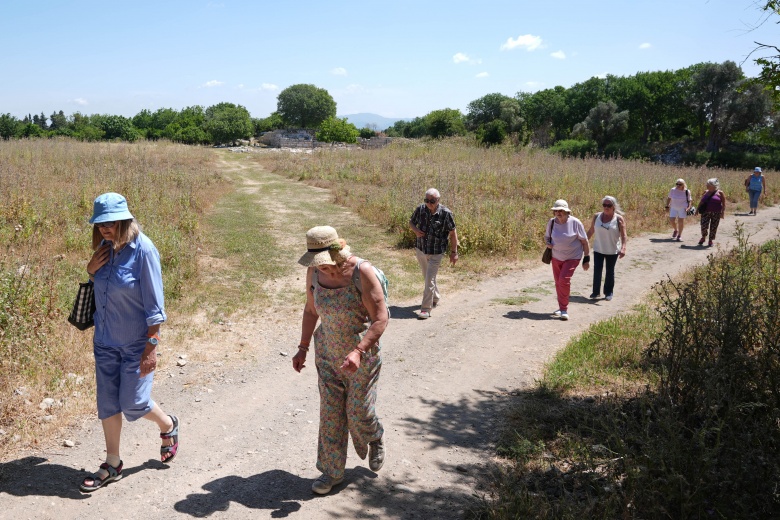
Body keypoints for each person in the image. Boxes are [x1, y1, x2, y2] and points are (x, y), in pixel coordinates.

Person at [79, 193, 178, 493]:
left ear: (125, 219)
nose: (105, 228)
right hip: (105, 341)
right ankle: (112, 463)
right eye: (100, 223)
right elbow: (101, 288)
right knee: (108, 403)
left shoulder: (144, 251)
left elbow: (156, 307)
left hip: (136, 344)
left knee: (133, 402)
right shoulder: (103, 248)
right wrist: (90, 270)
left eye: (111, 222)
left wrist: (152, 347)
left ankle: (168, 426)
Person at [292, 226, 389, 495]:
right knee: (331, 415)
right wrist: (302, 348)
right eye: (322, 268)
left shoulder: (362, 272)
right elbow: (311, 310)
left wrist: (358, 351)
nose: (328, 271)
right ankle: (331, 471)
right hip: (326, 353)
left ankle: (374, 435)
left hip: (362, 356)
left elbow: (381, 318)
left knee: (359, 411)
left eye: (331, 266)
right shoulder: (313, 272)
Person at [408, 188, 459, 319]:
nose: (429, 203)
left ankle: (425, 309)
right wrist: (416, 231)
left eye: (432, 201)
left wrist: (454, 252)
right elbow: (411, 222)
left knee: (429, 279)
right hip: (421, 250)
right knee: (427, 277)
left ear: (438, 200)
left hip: (436, 252)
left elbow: (453, 234)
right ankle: (435, 297)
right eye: (427, 200)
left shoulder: (446, 214)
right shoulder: (420, 209)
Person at [544, 200, 590, 320]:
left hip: (573, 256)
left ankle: (564, 309)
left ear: (567, 211)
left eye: (561, 210)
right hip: (556, 256)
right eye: (556, 211)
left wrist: (587, 258)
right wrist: (548, 243)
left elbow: (584, 242)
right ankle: (561, 307)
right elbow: (547, 237)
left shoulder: (575, 223)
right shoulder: (552, 222)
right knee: (558, 282)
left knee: (564, 280)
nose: (558, 213)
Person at [586, 196, 627, 301]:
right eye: (604, 205)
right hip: (598, 248)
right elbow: (591, 231)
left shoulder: (618, 219)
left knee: (610, 271)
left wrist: (623, 248)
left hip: (612, 250)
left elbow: (623, 235)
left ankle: (608, 292)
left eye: (609, 205)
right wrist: (583, 243)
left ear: (613, 206)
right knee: (597, 270)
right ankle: (595, 292)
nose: (606, 207)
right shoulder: (597, 217)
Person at [698, 178, 726, 247]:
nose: (706, 185)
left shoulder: (720, 193)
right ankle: (703, 237)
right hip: (705, 212)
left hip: (716, 213)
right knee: (703, 226)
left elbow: (724, 204)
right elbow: (701, 202)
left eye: (708, 184)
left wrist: (722, 213)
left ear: (713, 186)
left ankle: (710, 240)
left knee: (714, 227)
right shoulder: (705, 192)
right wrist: (696, 210)